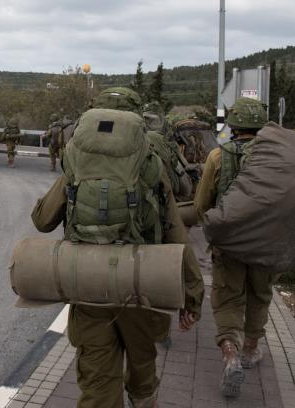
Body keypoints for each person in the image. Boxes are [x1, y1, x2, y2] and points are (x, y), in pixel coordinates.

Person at [31, 87, 204, 408]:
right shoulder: (149, 162)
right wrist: (192, 296)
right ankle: (143, 399)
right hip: (141, 286)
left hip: (89, 286)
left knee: (97, 385)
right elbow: (175, 233)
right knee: (142, 369)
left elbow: (42, 221)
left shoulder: (77, 159)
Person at [194, 97, 278, 398]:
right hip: (267, 242)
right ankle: (252, 349)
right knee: (260, 294)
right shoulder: (277, 159)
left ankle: (230, 352)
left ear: (234, 125)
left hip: (229, 243)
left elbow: (203, 203)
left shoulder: (219, 156)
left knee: (227, 298)